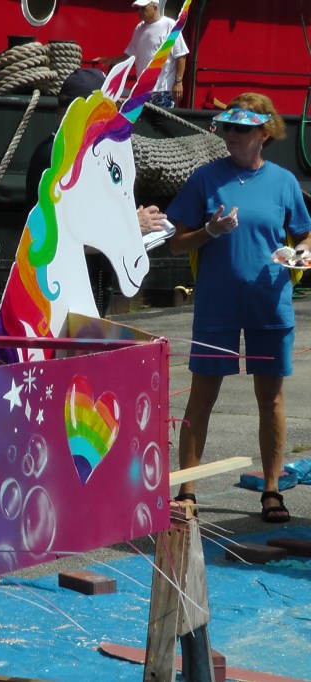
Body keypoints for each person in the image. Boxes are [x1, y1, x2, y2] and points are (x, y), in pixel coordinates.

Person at [167, 93, 311, 523]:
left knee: (271, 399)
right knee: (202, 397)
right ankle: (187, 491)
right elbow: (176, 243)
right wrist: (209, 231)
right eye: (227, 126)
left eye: (242, 128)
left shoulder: (284, 182)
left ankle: (272, 490)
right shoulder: (204, 178)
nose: (231, 134)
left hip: (270, 304)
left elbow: (305, 236)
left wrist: (301, 255)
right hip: (217, 306)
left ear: (264, 133)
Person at [24, 67, 169, 315]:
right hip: (60, 299)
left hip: (85, 291)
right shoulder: (56, 160)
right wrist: (129, 227)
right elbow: (60, 240)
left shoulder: (76, 155)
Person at [97, 0, 188, 109]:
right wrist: (111, 61)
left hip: (163, 90)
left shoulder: (170, 25)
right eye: (138, 8)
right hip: (142, 90)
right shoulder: (139, 28)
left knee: (161, 119)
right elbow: (129, 54)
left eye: (143, 8)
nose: (139, 12)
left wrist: (178, 82)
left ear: (154, 8)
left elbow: (180, 55)